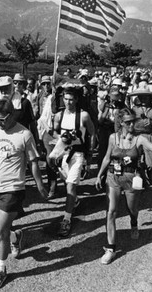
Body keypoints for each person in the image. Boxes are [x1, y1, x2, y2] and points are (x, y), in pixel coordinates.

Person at [0, 99, 48, 290]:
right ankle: (16, 237)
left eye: (2, 120)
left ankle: (0, 269)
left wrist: (40, 185)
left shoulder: (24, 134)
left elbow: (33, 162)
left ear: (12, 115)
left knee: (0, 231)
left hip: (13, 188)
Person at [95, 108, 152, 264]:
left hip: (131, 179)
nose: (132, 124)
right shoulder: (113, 138)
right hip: (113, 177)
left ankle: (134, 223)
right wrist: (99, 175)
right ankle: (111, 248)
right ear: (121, 123)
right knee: (111, 212)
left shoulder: (139, 139)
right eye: (128, 122)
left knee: (132, 209)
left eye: (134, 121)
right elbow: (107, 158)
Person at [50, 85, 95, 237]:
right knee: (66, 182)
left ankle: (66, 219)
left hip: (78, 155)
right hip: (63, 154)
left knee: (70, 187)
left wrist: (89, 155)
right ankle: (74, 201)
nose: (68, 102)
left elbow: (92, 133)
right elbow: (54, 132)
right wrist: (62, 138)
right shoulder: (58, 115)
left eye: (71, 99)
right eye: (66, 99)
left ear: (76, 100)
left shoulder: (83, 115)